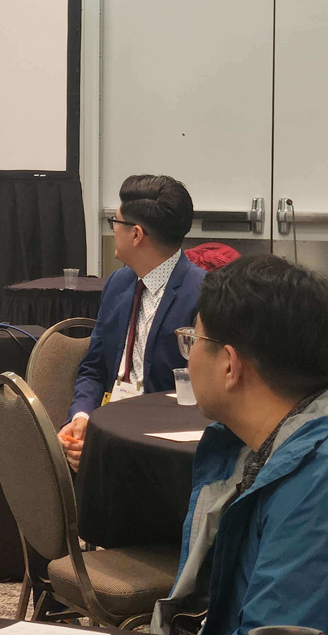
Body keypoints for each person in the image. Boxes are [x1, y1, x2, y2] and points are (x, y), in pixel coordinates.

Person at [153, 255, 328, 635]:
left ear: (230, 365)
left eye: (193, 340)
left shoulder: (315, 484)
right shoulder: (258, 445)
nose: (190, 353)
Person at [58, 175, 205, 470]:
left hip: (162, 443)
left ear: (136, 234)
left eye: (116, 221)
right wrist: (82, 418)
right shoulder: (118, 284)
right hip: (109, 423)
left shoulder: (203, 294)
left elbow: (204, 393)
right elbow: (94, 366)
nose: (113, 229)